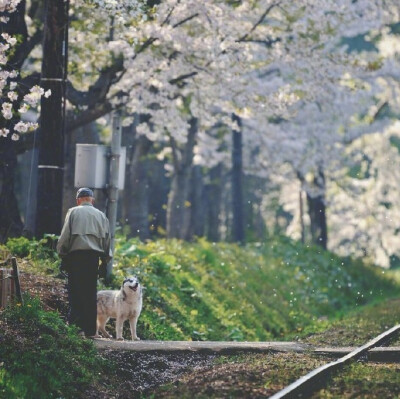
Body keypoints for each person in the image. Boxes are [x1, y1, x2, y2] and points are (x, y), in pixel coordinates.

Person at [57, 187, 112, 338]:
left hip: (76, 257)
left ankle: (77, 329)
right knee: (89, 293)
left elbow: (65, 237)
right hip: (93, 259)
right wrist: (105, 262)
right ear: (92, 200)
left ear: (78, 200)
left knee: (75, 291)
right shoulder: (101, 216)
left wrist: (62, 255)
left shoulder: (73, 212)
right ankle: (91, 331)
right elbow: (107, 240)